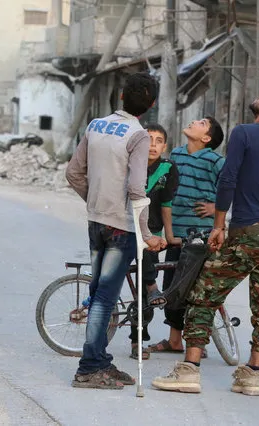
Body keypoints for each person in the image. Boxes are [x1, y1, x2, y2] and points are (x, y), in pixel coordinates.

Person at [151, 87, 259, 396]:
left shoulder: (243, 133)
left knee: (203, 296)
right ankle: (251, 376)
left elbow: (228, 179)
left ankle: (188, 371)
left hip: (245, 232)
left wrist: (218, 225)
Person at [66, 72, 167, 390]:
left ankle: (99, 360)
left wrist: (95, 201)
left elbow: (73, 172)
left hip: (96, 221)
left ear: (121, 96)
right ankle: (88, 369)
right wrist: (147, 234)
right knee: (104, 299)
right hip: (121, 227)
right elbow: (138, 187)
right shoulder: (138, 136)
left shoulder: (96, 125)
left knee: (100, 294)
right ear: (151, 104)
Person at [146, 117, 225, 357]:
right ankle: (174, 340)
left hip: (200, 236)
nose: (193, 121)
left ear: (207, 138)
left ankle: (195, 342)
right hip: (175, 234)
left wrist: (215, 208)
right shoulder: (175, 156)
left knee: (197, 290)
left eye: (201, 122)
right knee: (172, 286)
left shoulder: (215, 160)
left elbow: (233, 187)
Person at [126, 123, 179, 360]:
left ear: (164, 146)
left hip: (153, 231)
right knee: (146, 285)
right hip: (125, 227)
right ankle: (151, 285)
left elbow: (166, 205)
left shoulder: (168, 168)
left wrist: (169, 236)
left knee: (143, 292)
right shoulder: (129, 164)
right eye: (149, 139)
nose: (153, 145)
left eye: (159, 140)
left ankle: (138, 341)